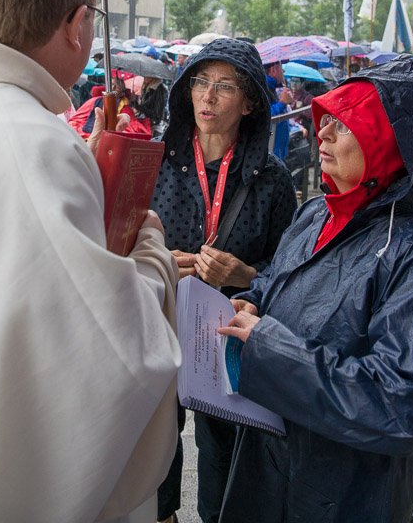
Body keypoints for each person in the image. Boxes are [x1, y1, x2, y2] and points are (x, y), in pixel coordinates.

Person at [0, 0, 181, 523]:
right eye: (93, 20)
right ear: (74, 23)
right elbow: (105, 351)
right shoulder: (31, 143)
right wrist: (147, 249)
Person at [217, 54, 413, 523]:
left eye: (342, 126)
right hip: (268, 462)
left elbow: (403, 403)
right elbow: (277, 285)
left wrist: (271, 347)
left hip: (343, 493)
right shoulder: (316, 214)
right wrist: (254, 299)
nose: (320, 134)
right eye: (325, 120)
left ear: (384, 143)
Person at [151, 38, 297, 523]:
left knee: (224, 461)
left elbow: (291, 272)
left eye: (225, 86)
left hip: (227, 340)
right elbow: (116, 245)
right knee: (152, 454)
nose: (208, 97)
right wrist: (156, 261)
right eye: (200, 82)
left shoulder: (272, 181)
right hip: (161, 327)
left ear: (250, 100)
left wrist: (247, 275)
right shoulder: (156, 163)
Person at [264, 60, 293, 160]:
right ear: (273, 70)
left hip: (277, 150)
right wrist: (282, 103)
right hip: (270, 152)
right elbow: (265, 116)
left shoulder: (271, 87)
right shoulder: (263, 88)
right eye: (281, 67)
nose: (283, 71)